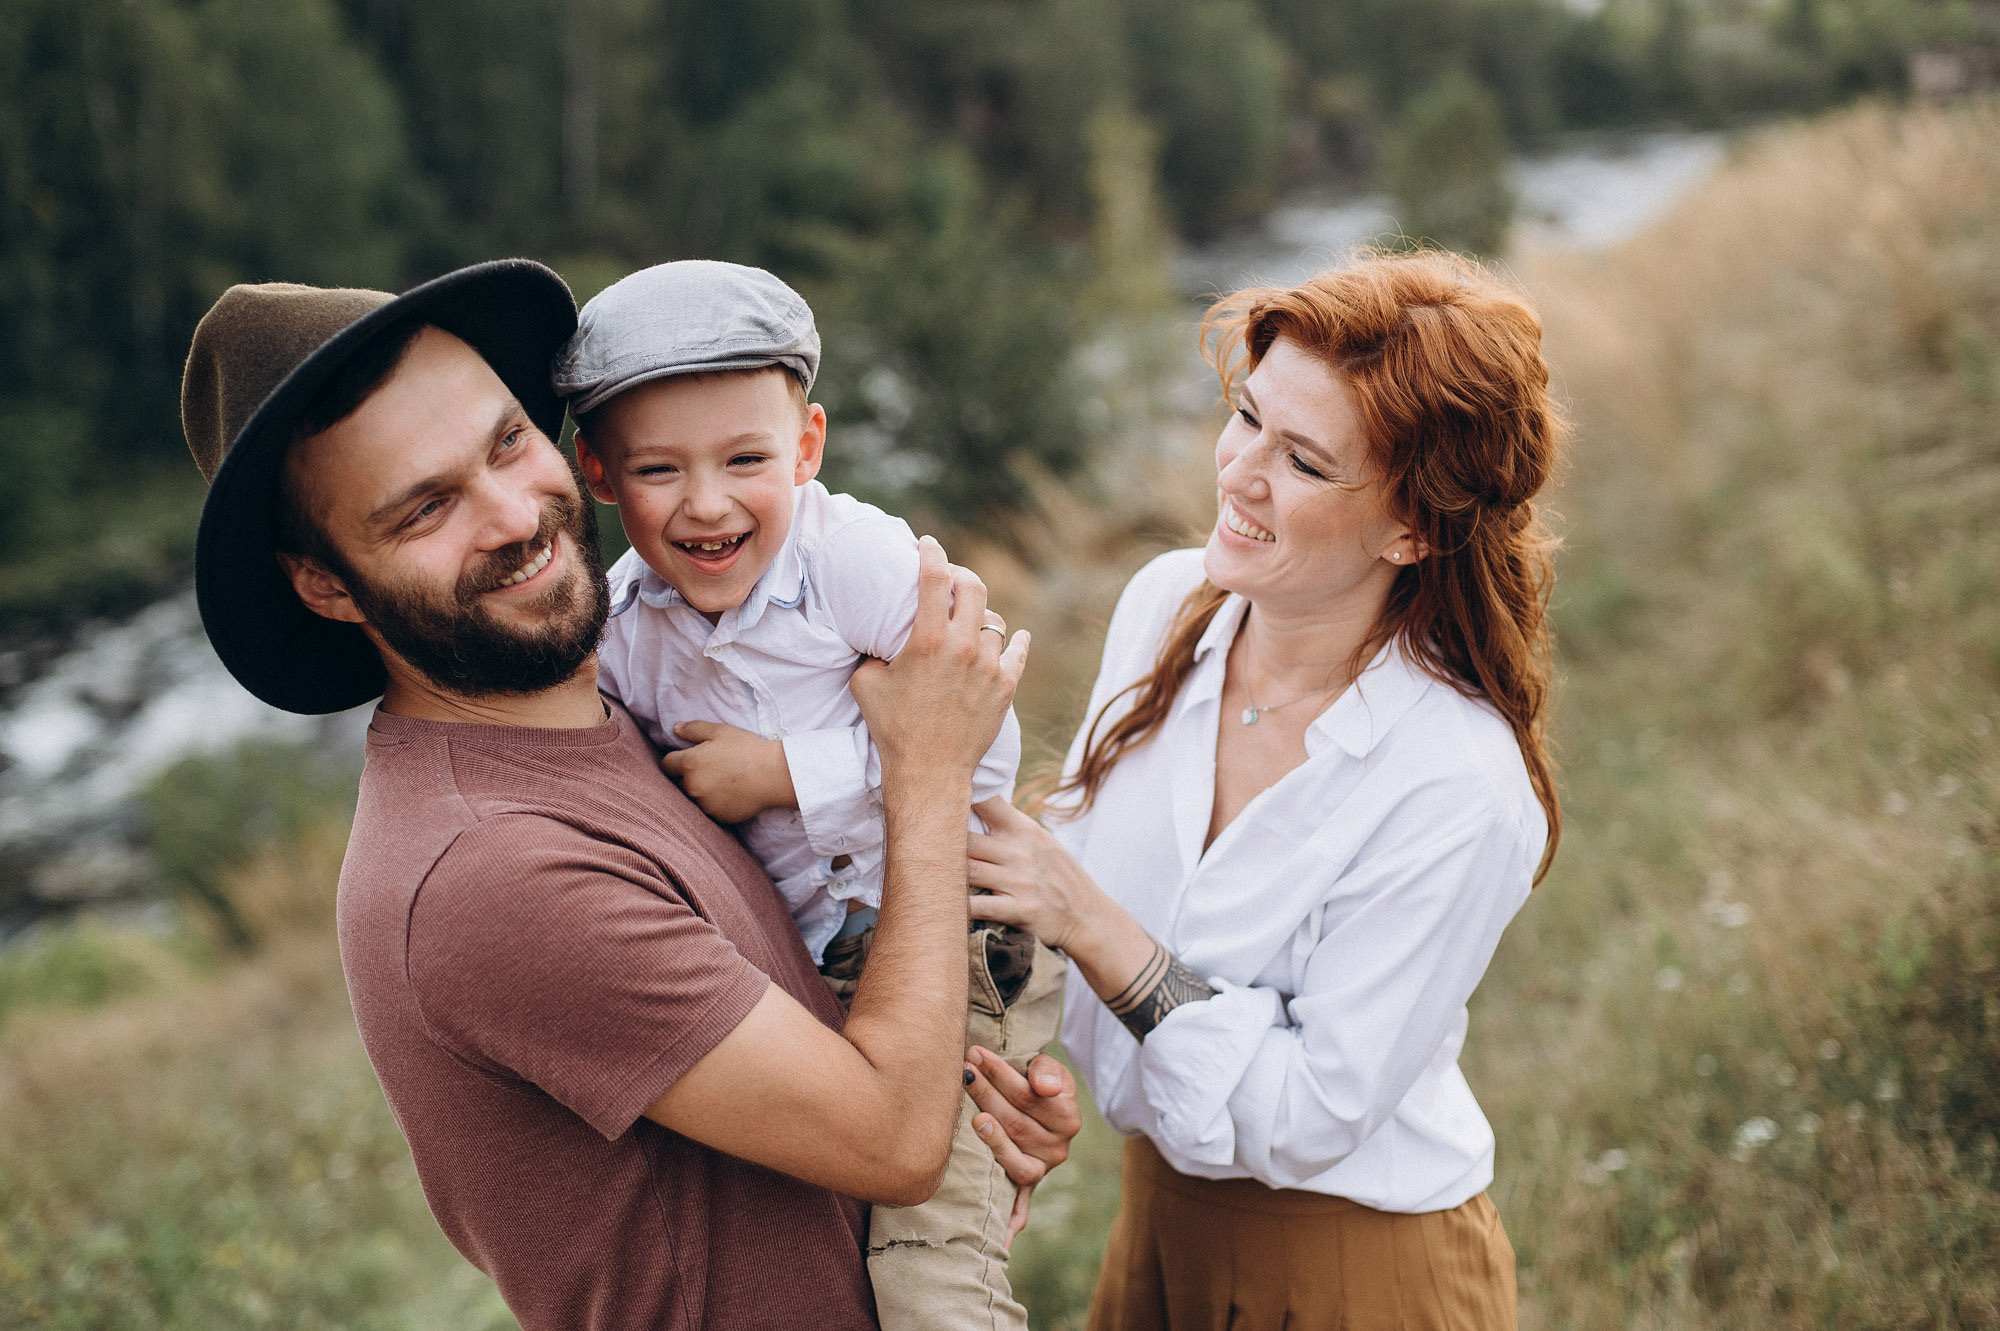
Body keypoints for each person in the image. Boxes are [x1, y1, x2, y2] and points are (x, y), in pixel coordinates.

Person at [176, 260, 1080, 1331]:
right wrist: (923, 769)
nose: (514, 514)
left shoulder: (629, 708)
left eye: (508, 441)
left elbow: (874, 1092)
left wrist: (967, 1084)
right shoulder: (486, 871)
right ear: (324, 581)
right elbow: (885, 1136)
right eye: (425, 507)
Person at [964, 250, 1563, 1330]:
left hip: (1355, 1268)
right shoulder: (1164, 607)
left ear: (1410, 527)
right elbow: (1061, 872)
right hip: (1152, 1224)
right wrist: (1013, 1069)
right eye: (1244, 416)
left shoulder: (1455, 783)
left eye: (1301, 460)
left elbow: (1308, 1110)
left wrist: (1094, 926)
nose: (1237, 472)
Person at [557, 258, 1067, 1330]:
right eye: (658, 469)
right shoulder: (617, 632)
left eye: (744, 458)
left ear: (806, 445)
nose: (705, 504)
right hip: (812, 975)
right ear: (597, 472)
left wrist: (788, 772)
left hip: (953, 935)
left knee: (927, 1262)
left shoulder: (861, 565)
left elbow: (978, 738)